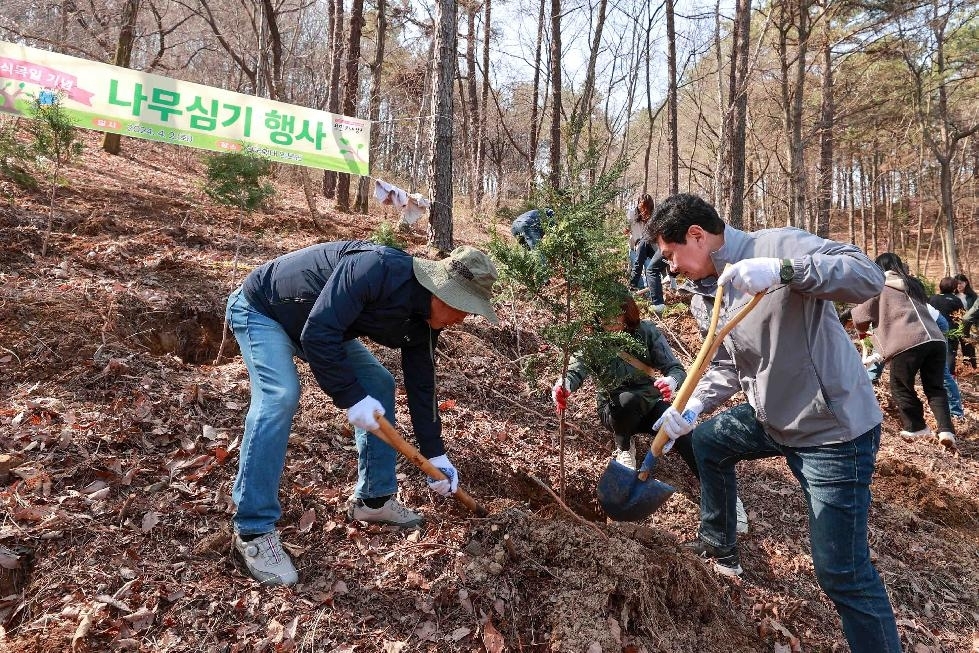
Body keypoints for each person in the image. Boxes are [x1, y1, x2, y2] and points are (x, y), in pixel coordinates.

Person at [644, 193, 900, 653]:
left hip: (831, 430)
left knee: (842, 571)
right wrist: (693, 407)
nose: (672, 268)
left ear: (697, 236)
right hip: (772, 416)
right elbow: (723, 363)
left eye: (671, 255)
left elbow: (867, 276)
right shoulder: (707, 292)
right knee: (707, 442)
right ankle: (720, 545)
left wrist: (786, 271)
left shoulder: (777, 246)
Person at [225, 241, 499, 586]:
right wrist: (351, 398)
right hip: (263, 310)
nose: (463, 319)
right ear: (445, 295)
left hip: (320, 323)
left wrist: (436, 453)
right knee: (280, 396)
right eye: (465, 309)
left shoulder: (425, 322)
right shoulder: (376, 268)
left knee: (380, 384)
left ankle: (374, 498)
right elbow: (318, 334)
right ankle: (252, 529)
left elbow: (422, 382)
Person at [550, 291, 686, 470]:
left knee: (680, 427)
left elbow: (676, 369)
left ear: (626, 312)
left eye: (616, 314)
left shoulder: (646, 332)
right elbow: (576, 369)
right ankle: (624, 447)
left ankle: (714, 486)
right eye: (604, 316)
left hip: (647, 403)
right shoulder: (594, 342)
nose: (611, 322)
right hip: (614, 411)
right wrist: (565, 384)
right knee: (626, 400)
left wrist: (671, 382)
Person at [850, 253, 955, 449]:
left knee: (900, 386)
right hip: (935, 339)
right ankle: (946, 430)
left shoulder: (878, 285)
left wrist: (862, 332)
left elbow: (860, 316)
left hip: (907, 341)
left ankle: (916, 427)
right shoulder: (913, 285)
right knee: (935, 388)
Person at [627, 194, 670, 312]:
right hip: (637, 246)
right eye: (641, 208)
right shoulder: (632, 214)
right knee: (642, 265)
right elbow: (626, 226)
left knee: (651, 270)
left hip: (651, 248)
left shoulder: (654, 217)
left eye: (646, 209)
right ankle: (636, 286)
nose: (644, 211)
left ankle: (637, 287)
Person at [929, 277, 966, 374]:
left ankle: (934, 374)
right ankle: (948, 375)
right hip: (951, 332)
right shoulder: (956, 300)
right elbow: (961, 317)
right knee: (949, 354)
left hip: (933, 331)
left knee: (934, 354)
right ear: (954, 288)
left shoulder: (932, 298)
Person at [954, 273, 977, 367]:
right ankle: (961, 366)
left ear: (966, 283)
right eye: (957, 283)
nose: (959, 285)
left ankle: (972, 366)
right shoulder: (953, 295)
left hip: (969, 324)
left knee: (968, 346)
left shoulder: (972, 296)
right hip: (956, 323)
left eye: (961, 283)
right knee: (956, 346)